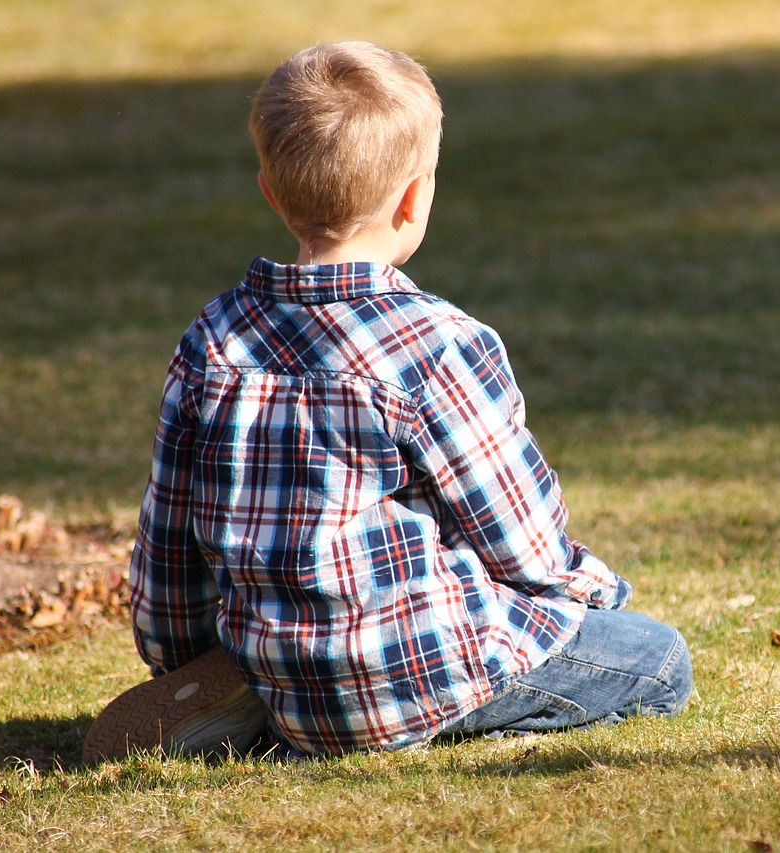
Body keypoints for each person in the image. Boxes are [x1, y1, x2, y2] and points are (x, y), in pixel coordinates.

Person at [83, 41, 691, 762]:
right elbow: (518, 537)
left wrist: (181, 662)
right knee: (658, 658)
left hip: (275, 671)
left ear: (271, 193)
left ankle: (262, 714)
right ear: (414, 197)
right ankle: (421, 720)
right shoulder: (436, 342)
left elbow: (168, 536)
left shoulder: (212, 341)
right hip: (415, 664)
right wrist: (589, 590)